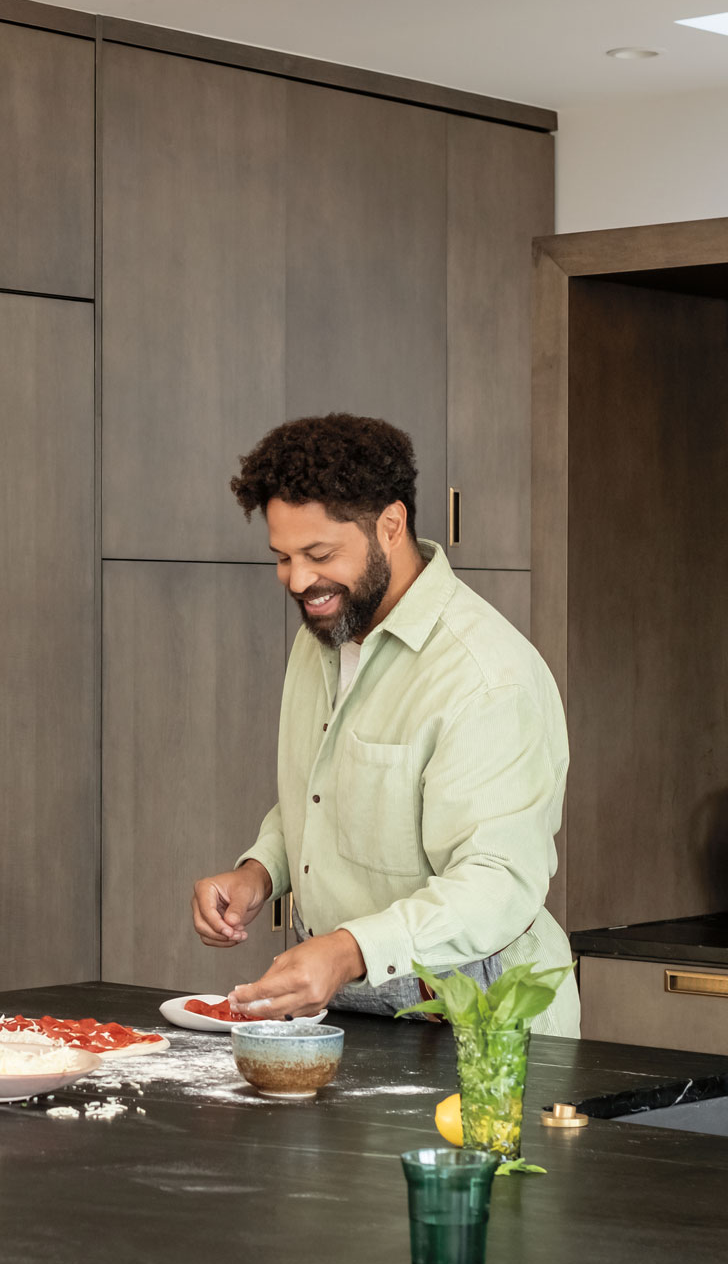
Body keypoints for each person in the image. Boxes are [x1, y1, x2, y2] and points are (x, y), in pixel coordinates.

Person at [188, 414, 576, 1031]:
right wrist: (260, 872)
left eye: (319, 554)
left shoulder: (485, 676)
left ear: (391, 525)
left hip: (484, 1016)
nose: (299, 581)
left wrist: (347, 950)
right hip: (352, 1001)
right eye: (283, 557)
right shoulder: (324, 635)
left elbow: (497, 884)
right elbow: (325, 795)